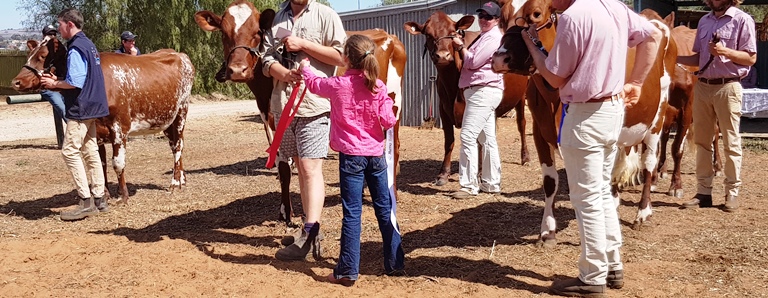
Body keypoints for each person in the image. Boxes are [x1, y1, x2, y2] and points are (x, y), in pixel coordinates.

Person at [522, 0, 661, 296]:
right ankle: (612, 265)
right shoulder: (615, 6)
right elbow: (654, 36)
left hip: (585, 114)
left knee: (586, 198)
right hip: (612, 110)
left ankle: (592, 277)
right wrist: (636, 80)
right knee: (599, 190)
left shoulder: (573, 17)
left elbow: (556, 77)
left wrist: (533, 49)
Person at [300, 34, 405, 286]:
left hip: (350, 158)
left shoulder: (337, 85)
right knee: (383, 207)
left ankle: (347, 269)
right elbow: (389, 121)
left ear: (345, 59)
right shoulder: (378, 87)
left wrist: (304, 67)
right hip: (376, 155)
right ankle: (395, 262)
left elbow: (315, 85)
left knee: (352, 212)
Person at [261, 0, 346, 261]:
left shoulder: (326, 15)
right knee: (300, 166)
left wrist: (303, 44)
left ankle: (310, 233)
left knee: (310, 168)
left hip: (314, 105)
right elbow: (265, 60)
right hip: (285, 105)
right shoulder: (277, 18)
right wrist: (284, 74)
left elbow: (341, 56)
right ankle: (310, 227)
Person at [678, 0, 756, 212]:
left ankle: (732, 193)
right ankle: (703, 193)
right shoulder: (704, 21)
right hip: (702, 87)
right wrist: (671, 57)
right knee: (703, 142)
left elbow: (750, 58)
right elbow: (698, 57)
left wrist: (725, 52)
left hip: (728, 87)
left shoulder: (742, 19)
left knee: (731, 142)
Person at [40, 8, 110, 221]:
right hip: (94, 106)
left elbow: (75, 82)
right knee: (90, 150)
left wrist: (53, 83)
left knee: (69, 151)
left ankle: (85, 200)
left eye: (60, 24)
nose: (58, 29)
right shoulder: (89, 44)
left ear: (69, 24)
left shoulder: (76, 47)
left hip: (81, 107)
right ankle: (99, 198)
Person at [448, 1, 504, 199]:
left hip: (484, 90)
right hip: (481, 90)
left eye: (488, 17)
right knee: (487, 138)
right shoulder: (485, 36)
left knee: (468, 136)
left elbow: (472, 62)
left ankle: (469, 185)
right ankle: (491, 183)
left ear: (496, 19)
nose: (483, 20)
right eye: (481, 16)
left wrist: (461, 46)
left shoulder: (493, 37)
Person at [40, 24, 67, 148]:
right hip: (47, 87)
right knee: (63, 109)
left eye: (54, 34)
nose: (52, 37)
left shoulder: (60, 49)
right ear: (44, 36)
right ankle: (78, 136)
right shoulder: (39, 52)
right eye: (49, 34)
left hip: (61, 84)